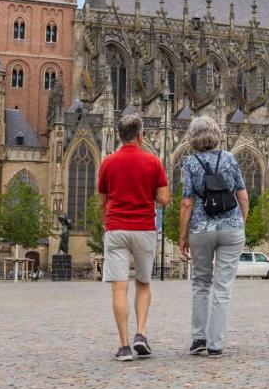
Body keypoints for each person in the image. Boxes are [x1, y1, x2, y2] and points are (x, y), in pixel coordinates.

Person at [97, 112, 170, 362]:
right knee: (143, 283)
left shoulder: (107, 163)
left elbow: (103, 201)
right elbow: (164, 199)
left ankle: (124, 346)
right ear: (140, 135)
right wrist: (147, 191)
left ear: (119, 136)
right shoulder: (153, 162)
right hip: (143, 229)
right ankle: (141, 334)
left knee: (119, 286)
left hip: (116, 228)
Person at [178, 115, 248, 357]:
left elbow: (187, 202)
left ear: (192, 137)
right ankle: (215, 344)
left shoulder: (190, 162)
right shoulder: (229, 158)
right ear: (215, 135)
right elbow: (243, 196)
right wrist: (239, 223)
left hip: (201, 229)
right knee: (222, 287)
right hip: (231, 228)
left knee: (200, 284)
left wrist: (182, 235)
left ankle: (199, 339)